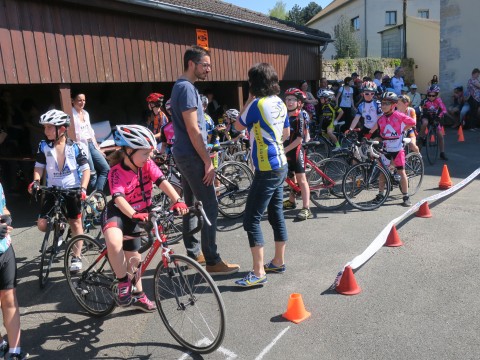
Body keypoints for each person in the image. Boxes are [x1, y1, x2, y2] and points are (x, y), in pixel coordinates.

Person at [102, 125, 188, 311]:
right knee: (115, 243)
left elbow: (162, 182)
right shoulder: (116, 172)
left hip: (139, 213)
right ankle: (123, 282)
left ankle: (138, 295)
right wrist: (133, 214)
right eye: (145, 153)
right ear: (128, 151)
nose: (149, 157)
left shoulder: (147, 164)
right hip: (119, 212)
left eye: (150, 153)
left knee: (134, 259)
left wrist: (178, 200)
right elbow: (118, 198)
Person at [170, 45, 239, 275]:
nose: (209, 69)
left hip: (183, 154)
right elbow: (193, 129)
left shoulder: (179, 86)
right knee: (210, 204)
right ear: (192, 63)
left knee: (190, 204)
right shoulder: (187, 89)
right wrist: (208, 161)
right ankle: (212, 259)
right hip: (191, 155)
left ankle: (193, 252)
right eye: (205, 65)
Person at [234, 62, 289, 287]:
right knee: (276, 212)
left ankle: (258, 273)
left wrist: (248, 99)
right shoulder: (279, 102)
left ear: (253, 84)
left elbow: (237, 126)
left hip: (267, 168)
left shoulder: (256, 104)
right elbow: (285, 134)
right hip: (281, 163)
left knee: (250, 219)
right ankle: (277, 261)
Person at [28, 110, 90, 272]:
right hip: (52, 189)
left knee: (75, 223)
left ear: (61, 129)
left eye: (49, 127)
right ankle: (59, 228)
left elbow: (86, 170)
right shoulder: (43, 145)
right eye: (45, 127)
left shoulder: (75, 147)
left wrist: (83, 188)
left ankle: (76, 256)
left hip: (72, 189)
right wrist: (35, 182)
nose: (45, 131)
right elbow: (39, 167)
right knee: (42, 225)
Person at [366, 92, 415, 207]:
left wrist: (403, 129)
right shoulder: (381, 119)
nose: (383, 106)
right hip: (386, 149)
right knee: (382, 173)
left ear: (393, 105)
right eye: (382, 103)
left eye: (387, 103)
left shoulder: (398, 115)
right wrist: (367, 137)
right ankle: (380, 194)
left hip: (397, 149)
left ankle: (406, 196)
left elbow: (412, 122)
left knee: (401, 172)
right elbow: (372, 130)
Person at [0, 183, 29, 360]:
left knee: (10, 299)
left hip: (5, 249)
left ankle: (15, 350)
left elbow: (3, 206)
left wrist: (7, 217)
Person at [282, 88, 311, 220]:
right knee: (290, 177)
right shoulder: (284, 115)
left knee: (301, 179)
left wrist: (284, 150)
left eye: (292, 99)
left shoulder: (299, 116)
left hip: (296, 150)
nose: (289, 102)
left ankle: (306, 208)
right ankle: (292, 201)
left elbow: (299, 139)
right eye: (287, 99)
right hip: (286, 150)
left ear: (299, 102)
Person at [71, 91, 110, 192]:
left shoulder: (86, 113)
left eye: (84, 100)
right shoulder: (71, 114)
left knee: (106, 168)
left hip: (91, 144)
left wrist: (98, 148)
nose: (82, 102)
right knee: (91, 173)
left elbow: (91, 132)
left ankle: (98, 193)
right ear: (72, 101)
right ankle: (91, 198)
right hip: (81, 146)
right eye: (79, 100)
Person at [418, 85, 448, 160]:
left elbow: (444, 110)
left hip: (436, 117)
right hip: (427, 116)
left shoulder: (439, 100)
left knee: (440, 134)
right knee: (425, 123)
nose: (431, 97)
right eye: (429, 95)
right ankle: (421, 137)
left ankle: (442, 153)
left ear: (436, 95)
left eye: (433, 95)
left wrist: (438, 116)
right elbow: (421, 109)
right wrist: (423, 110)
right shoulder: (425, 101)